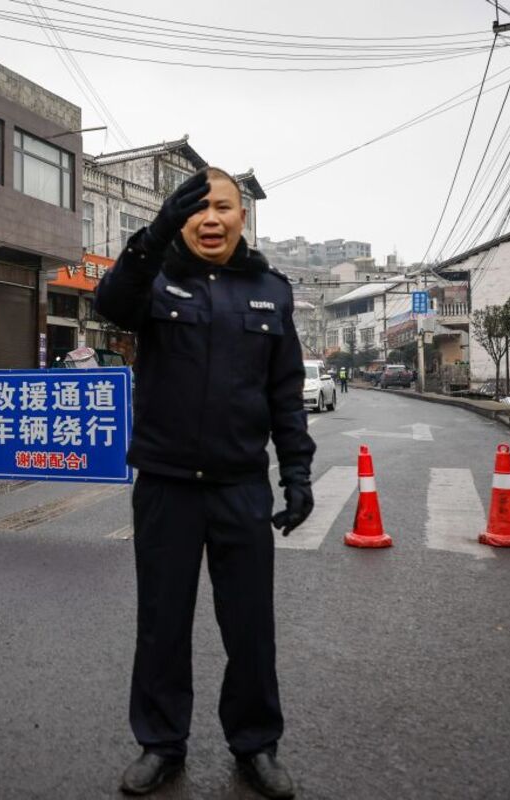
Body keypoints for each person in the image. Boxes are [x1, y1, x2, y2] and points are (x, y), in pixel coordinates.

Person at [95, 169, 315, 798]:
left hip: (240, 486)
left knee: (250, 625)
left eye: (224, 207)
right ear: (182, 218)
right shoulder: (155, 278)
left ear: (242, 216)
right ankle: (161, 743)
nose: (210, 219)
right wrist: (153, 234)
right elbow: (110, 305)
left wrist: (296, 471)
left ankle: (256, 746)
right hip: (167, 485)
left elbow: (286, 392)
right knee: (163, 621)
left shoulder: (271, 291)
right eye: (196, 210)